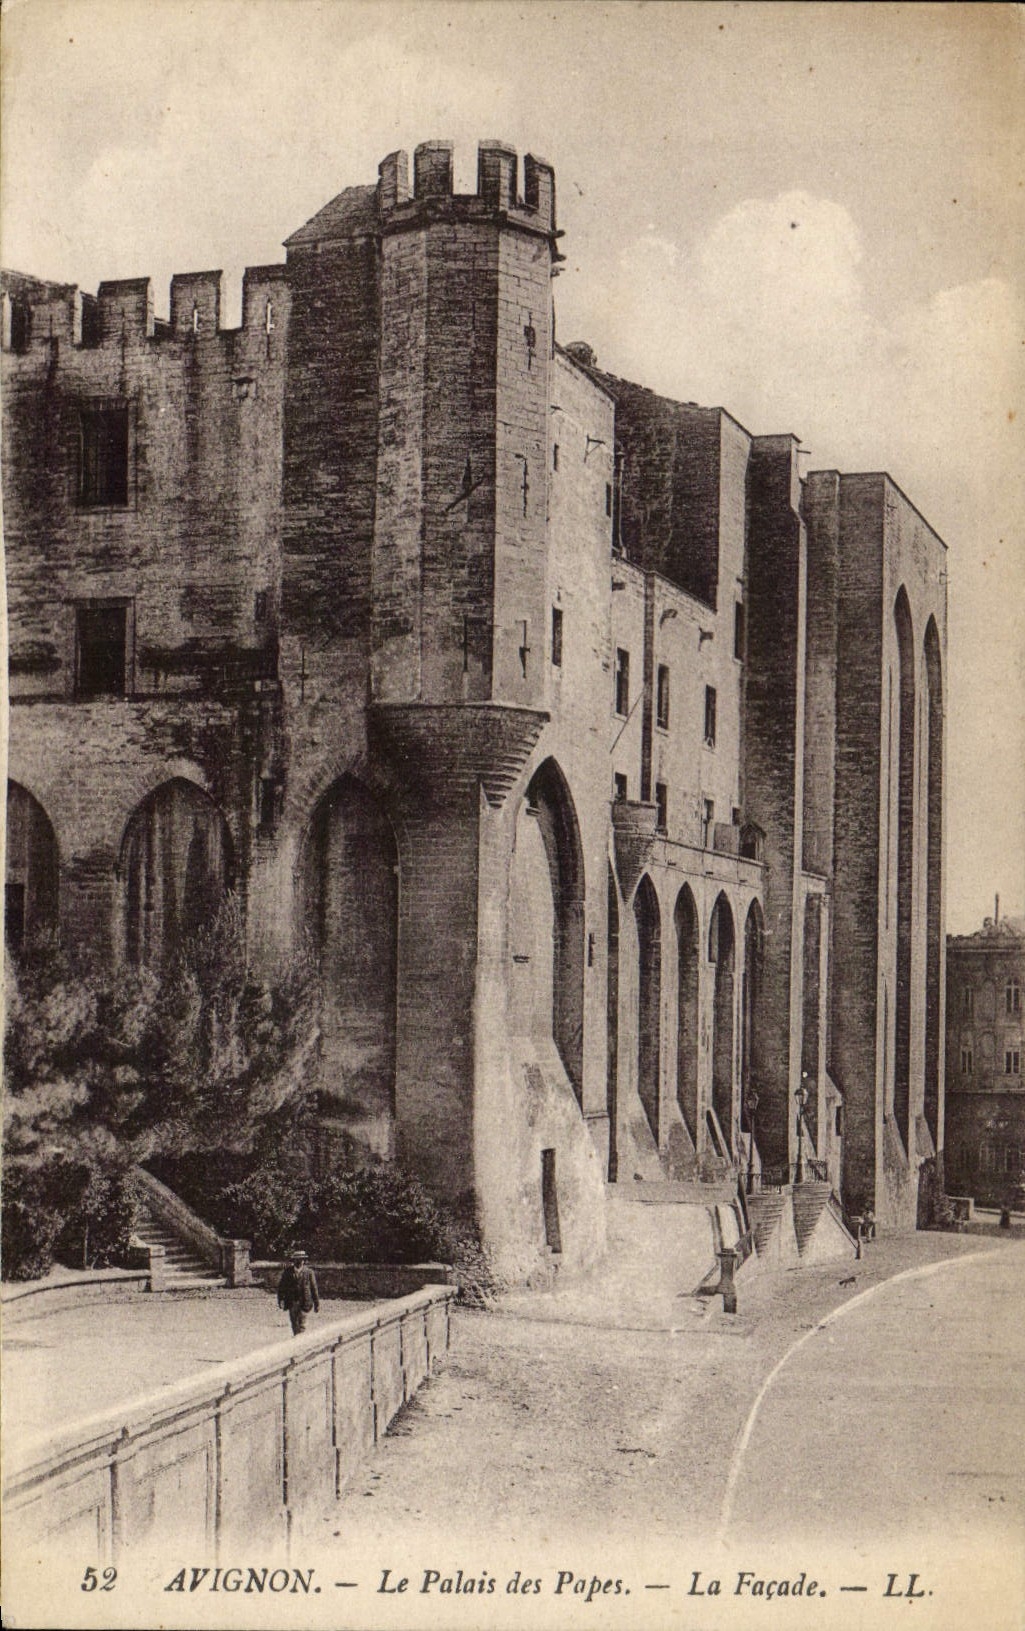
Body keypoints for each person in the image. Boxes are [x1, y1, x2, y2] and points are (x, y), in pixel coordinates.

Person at [277, 1248, 320, 1335]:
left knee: (302, 1325)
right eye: (298, 1260)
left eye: (302, 1259)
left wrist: (317, 1303)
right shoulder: (288, 1272)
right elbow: (282, 1287)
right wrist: (281, 1300)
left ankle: (300, 1343)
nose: (300, 1261)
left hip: (305, 1301)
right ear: (294, 1261)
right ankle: (297, 1340)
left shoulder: (309, 1272)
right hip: (292, 1302)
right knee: (294, 1324)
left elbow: (314, 1288)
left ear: (304, 1261)